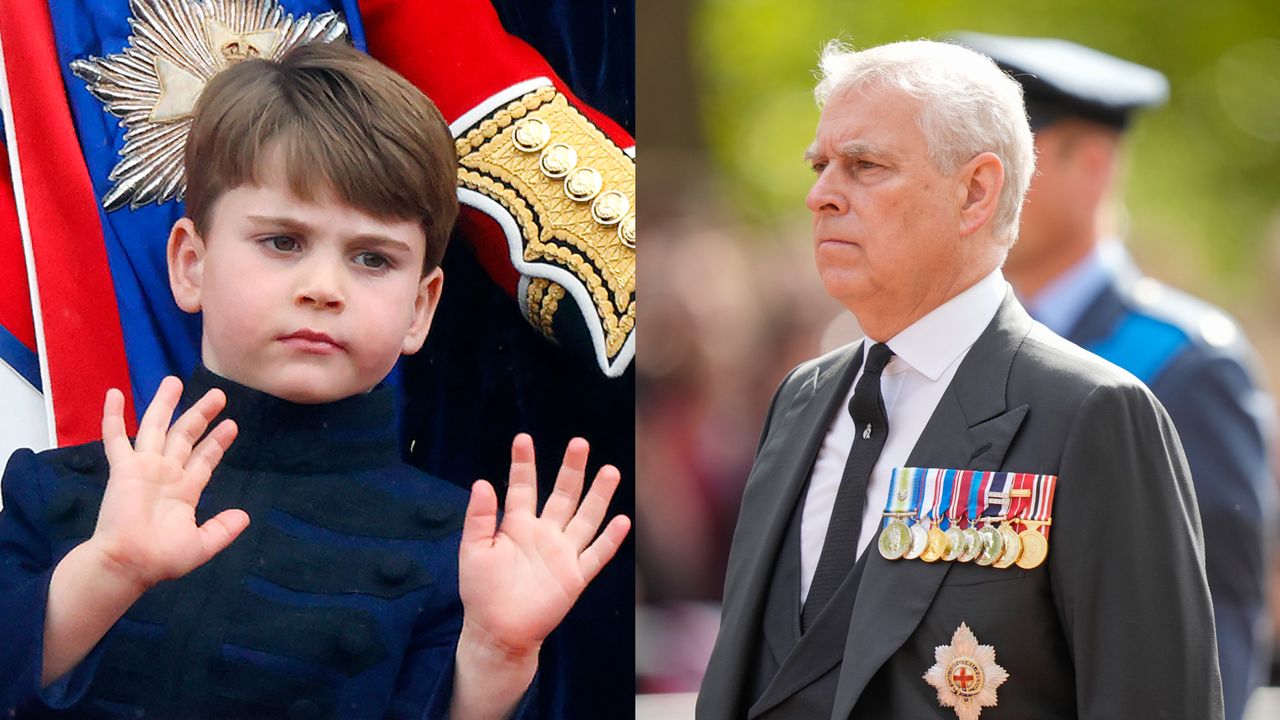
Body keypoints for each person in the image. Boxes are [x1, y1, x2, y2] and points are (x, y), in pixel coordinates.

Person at [0, 42, 629, 719]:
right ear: (190, 262)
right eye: (283, 242)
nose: (324, 288)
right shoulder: (54, 492)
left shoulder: (461, 555)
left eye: (371, 258)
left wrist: (495, 658)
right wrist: (107, 570)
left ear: (421, 307)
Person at [696, 39, 1222, 719]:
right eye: (822, 165)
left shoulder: (1092, 412)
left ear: (976, 191)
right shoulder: (803, 398)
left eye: (864, 166)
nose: (820, 195)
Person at [953, 32, 1273, 720]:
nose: (975, 183)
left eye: (1012, 157)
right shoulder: (952, 344)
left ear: (1091, 163)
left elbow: (1213, 621)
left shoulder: (1183, 364)